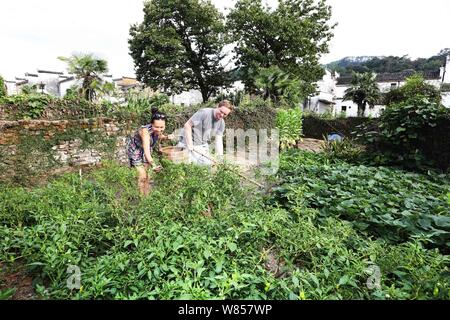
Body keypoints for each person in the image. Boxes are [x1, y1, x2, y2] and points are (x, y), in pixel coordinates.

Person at [126, 108, 172, 196]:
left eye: (162, 127)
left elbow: (160, 135)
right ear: (151, 124)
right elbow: (147, 153)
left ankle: (146, 196)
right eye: (156, 127)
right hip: (135, 149)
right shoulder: (145, 132)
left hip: (145, 149)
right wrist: (154, 165)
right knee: (142, 175)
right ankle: (141, 198)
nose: (159, 129)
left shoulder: (159, 130)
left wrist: (166, 137)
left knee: (147, 175)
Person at [178, 100, 234, 165]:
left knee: (207, 167)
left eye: (225, 114)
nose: (222, 115)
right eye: (221, 111)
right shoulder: (204, 113)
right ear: (217, 107)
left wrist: (220, 157)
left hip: (202, 145)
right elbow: (187, 125)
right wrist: (190, 144)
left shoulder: (221, 123)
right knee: (191, 168)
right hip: (187, 143)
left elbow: (219, 140)